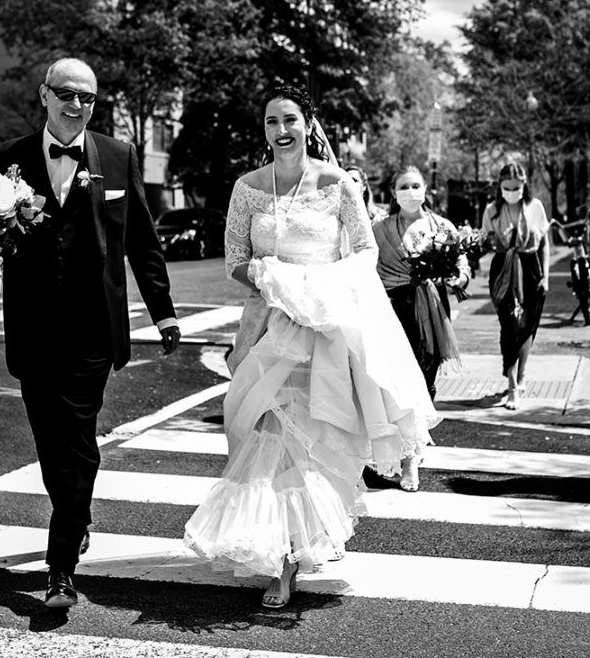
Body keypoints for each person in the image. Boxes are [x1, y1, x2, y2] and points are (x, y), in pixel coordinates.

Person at [184, 84, 438, 609]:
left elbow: (364, 254)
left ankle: (288, 560)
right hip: (266, 332)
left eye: (290, 119)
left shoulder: (338, 184)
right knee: (259, 435)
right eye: (272, 121)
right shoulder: (247, 188)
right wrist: (268, 276)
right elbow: (233, 258)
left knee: (305, 446)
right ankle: (276, 550)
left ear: (308, 123)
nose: (281, 130)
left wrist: (313, 289)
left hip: (323, 336)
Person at [0, 57, 181, 609]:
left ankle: (60, 569)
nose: (76, 104)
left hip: (94, 329)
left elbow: (141, 239)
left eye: (87, 97)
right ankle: (77, 512)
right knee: (52, 441)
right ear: (44, 94)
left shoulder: (118, 157)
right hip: (33, 328)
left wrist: (162, 310)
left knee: (78, 438)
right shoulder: (4, 161)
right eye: (66, 93)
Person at [372, 166, 467, 489]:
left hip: (431, 310)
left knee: (424, 381)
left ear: (425, 189)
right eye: (403, 186)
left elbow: (461, 265)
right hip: (392, 310)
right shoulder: (380, 228)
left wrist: (457, 277)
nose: (410, 192)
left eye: (416, 185)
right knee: (395, 384)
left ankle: (414, 451)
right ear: (393, 192)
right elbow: (367, 268)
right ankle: (401, 454)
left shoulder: (442, 227)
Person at [481, 163, 549, 411]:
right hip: (503, 268)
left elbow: (544, 243)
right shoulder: (492, 210)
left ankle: (521, 374)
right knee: (510, 325)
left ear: (524, 185)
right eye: (507, 187)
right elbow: (485, 242)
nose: (512, 191)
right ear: (499, 187)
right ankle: (511, 386)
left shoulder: (535, 207)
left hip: (530, 266)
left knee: (528, 325)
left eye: (516, 187)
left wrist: (546, 276)